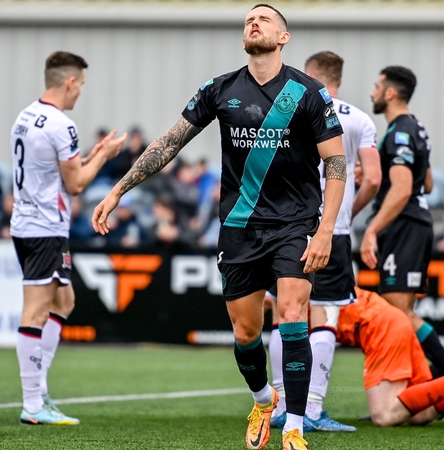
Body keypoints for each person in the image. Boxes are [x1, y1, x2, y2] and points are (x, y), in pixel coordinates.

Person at [92, 6, 346, 449]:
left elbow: (337, 165)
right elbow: (169, 143)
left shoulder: (308, 93)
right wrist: (118, 190)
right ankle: (264, 400)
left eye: (264, 19)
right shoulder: (219, 89)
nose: (254, 23)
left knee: (292, 315)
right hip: (239, 228)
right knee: (246, 334)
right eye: (249, 19)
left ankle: (295, 428)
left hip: (294, 225)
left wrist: (325, 230)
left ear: (283, 37)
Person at [10, 51, 127, 426]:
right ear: (70, 82)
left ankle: (39, 389)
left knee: (64, 300)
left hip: (31, 222)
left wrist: (89, 156)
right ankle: (32, 404)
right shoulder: (62, 124)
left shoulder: (26, 115)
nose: (80, 94)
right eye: (81, 86)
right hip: (43, 227)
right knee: (37, 310)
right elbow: (75, 184)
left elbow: (59, 170)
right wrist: (105, 155)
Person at [269, 50, 380, 433]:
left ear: (308, 74)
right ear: (339, 78)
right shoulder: (359, 118)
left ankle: (281, 403)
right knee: (325, 317)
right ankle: (312, 408)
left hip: (285, 228)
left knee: (284, 314)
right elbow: (375, 178)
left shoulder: (288, 109)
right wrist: (350, 209)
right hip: (333, 229)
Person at [360, 66, 444, 379]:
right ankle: (415, 388)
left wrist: (372, 230)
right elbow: (426, 183)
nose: (372, 92)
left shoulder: (400, 131)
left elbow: (404, 189)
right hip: (413, 223)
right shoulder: (415, 127)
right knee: (400, 313)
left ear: (390, 93)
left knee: (398, 314)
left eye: (377, 87)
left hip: (404, 225)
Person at [337, 287, 444, 426]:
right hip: (392, 321)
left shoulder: (313, 287)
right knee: (418, 415)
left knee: (384, 416)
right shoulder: (320, 278)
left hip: (380, 325)